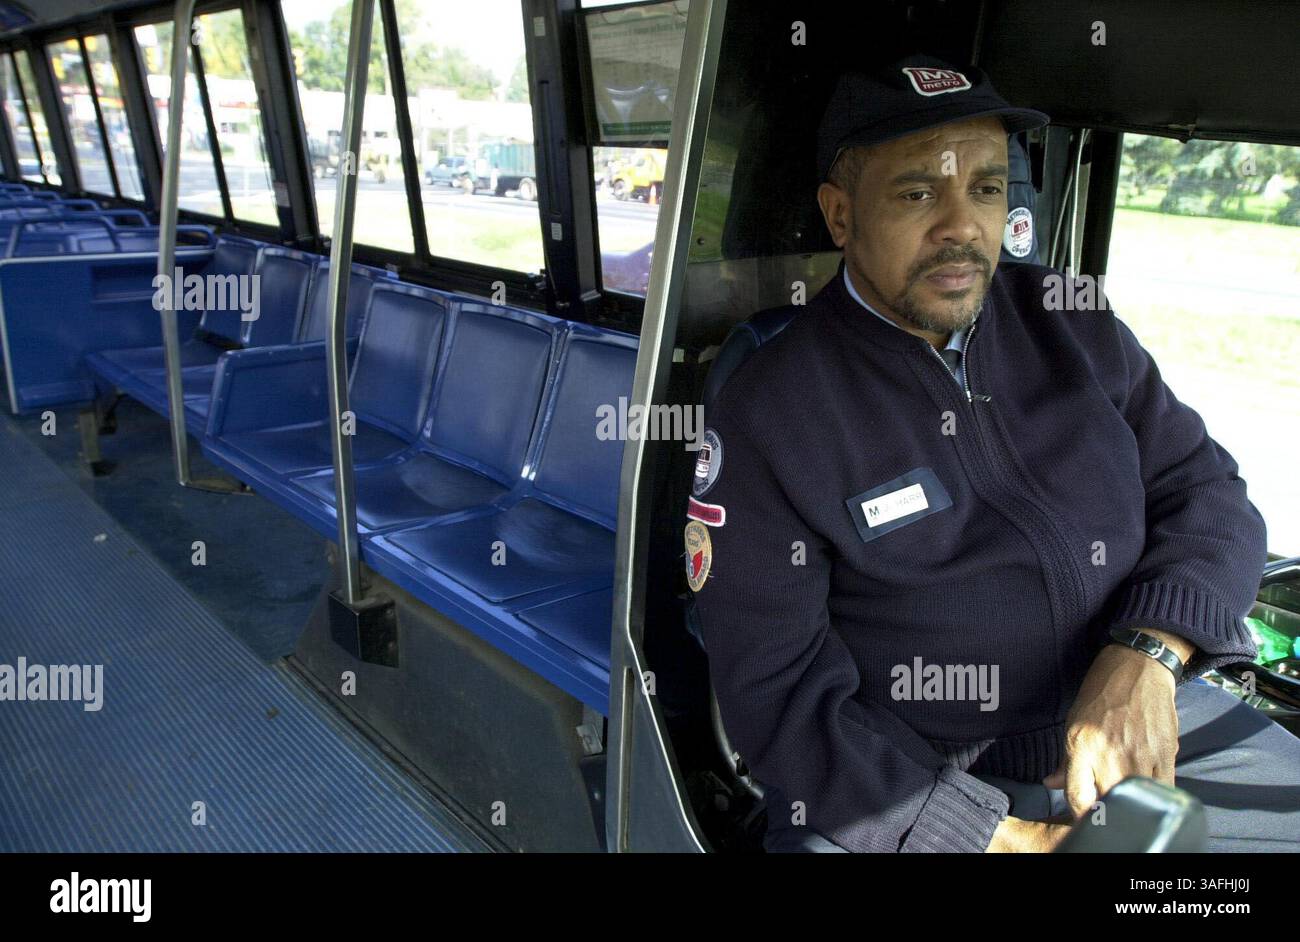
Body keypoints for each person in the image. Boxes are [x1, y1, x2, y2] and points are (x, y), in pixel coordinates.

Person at [686, 54, 1300, 852]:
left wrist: (1145, 656)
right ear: (841, 217)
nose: (962, 226)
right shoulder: (773, 407)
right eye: (917, 193)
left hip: (1142, 717)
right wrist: (985, 836)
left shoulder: (1068, 321)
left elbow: (1211, 495)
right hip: (912, 783)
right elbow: (777, 695)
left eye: (984, 187)